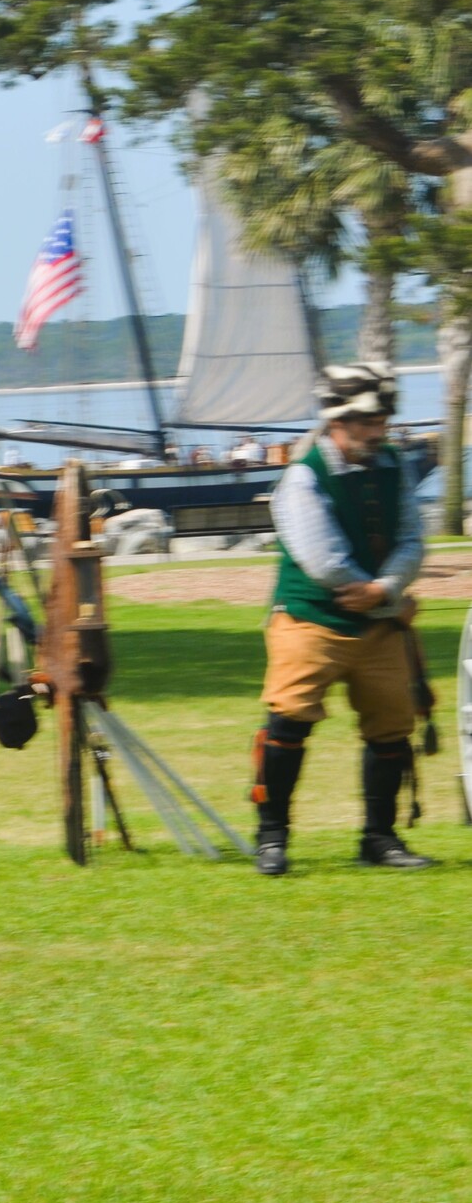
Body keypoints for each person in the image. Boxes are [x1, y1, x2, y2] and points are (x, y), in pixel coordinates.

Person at [251, 362, 431, 876]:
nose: (378, 431)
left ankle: (380, 839)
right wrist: (383, 596)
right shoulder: (303, 477)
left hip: (378, 623)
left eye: (382, 421)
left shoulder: (394, 465)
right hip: (310, 619)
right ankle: (271, 838)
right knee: (288, 722)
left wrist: (383, 591)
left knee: (391, 729)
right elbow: (323, 561)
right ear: (337, 421)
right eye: (368, 422)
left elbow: (412, 538)